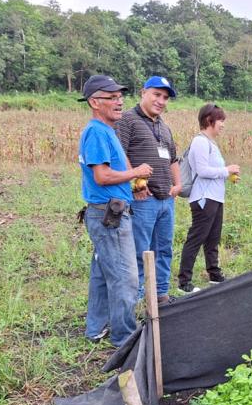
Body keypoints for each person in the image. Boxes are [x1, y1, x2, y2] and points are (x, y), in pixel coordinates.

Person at [77, 74, 152, 347]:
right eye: (112, 97)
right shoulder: (97, 131)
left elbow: (107, 178)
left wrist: (130, 188)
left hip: (107, 209)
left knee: (102, 273)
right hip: (109, 216)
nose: (119, 102)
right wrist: (137, 172)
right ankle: (124, 337)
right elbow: (102, 176)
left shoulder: (105, 131)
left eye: (120, 97)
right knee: (125, 276)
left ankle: (96, 328)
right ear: (95, 102)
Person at [115, 76, 180, 304]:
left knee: (164, 249)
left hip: (166, 199)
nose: (161, 101)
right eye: (156, 94)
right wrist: (134, 183)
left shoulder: (163, 126)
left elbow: (173, 158)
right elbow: (120, 154)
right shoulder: (127, 120)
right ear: (143, 92)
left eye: (165, 97)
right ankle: (140, 299)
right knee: (140, 252)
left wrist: (178, 185)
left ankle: (161, 294)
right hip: (143, 199)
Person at [178, 104, 240, 292]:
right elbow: (202, 170)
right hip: (204, 198)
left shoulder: (211, 143)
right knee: (196, 238)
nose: (222, 124)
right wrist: (226, 170)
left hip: (215, 197)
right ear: (209, 121)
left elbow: (213, 171)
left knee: (213, 238)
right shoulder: (200, 142)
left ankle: (214, 274)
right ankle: (184, 281)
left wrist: (227, 174)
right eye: (220, 120)